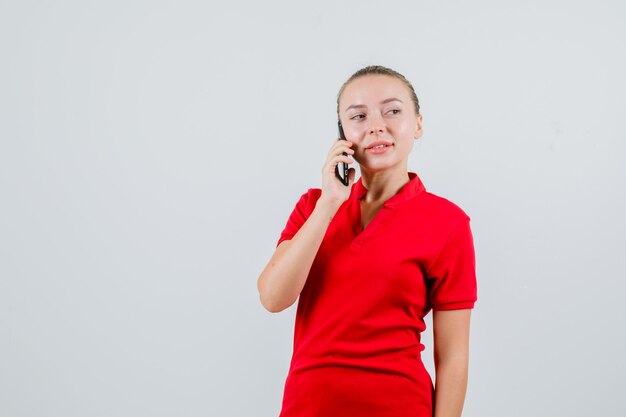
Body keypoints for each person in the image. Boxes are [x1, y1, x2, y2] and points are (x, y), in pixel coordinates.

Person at [257, 65, 478, 417]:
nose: (376, 125)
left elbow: (453, 356)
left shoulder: (448, 223)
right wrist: (329, 204)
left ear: (418, 124)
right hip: (308, 406)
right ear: (342, 134)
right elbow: (273, 297)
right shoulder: (314, 207)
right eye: (358, 116)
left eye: (392, 110)